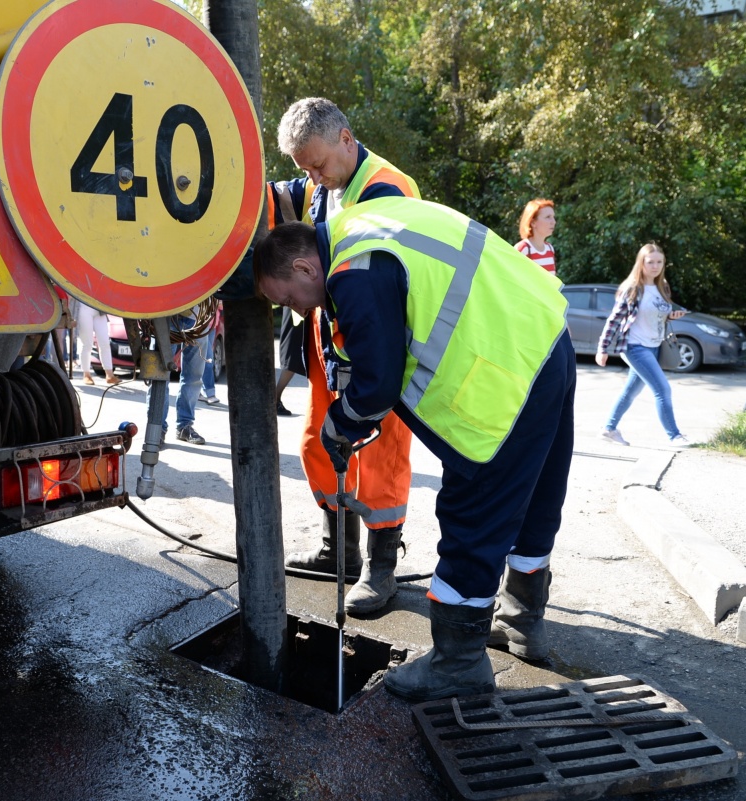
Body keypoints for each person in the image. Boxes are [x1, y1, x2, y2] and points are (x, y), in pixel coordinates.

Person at [254, 196, 575, 702]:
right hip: (544, 339)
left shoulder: (352, 267)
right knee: (535, 499)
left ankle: (458, 660)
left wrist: (338, 425)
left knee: (476, 507)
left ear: (302, 266)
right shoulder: (368, 224)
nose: (300, 310)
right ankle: (521, 621)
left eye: (291, 300)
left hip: (502, 379)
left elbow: (378, 386)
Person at [266, 97, 421, 615]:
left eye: (318, 164)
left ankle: (380, 568)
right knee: (317, 441)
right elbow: (283, 199)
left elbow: (378, 295)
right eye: (304, 168)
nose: (313, 177)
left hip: (376, 345)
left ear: (346, 139)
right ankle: (339, 549)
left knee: (380, 456)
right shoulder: (326, 179)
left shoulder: (386, 188)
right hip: (330, 341)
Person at [595, 244, 691, 447]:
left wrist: (672, 314)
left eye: (659, 262)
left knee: (630, 391)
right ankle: (675, 435)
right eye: (650, 262)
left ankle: (609, 429)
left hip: (655, 345)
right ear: (641, 263)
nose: (655, 266)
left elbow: (660, 315)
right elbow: (614, 319)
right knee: (662, 389)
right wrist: (602, 348)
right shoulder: (632, 288)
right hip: (635, 346)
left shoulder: (662, 286)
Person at [146, 308, 208, 447]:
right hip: (165, 312)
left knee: (194, 376)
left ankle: (184, 427)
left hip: (197, 316)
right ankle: (157, 428)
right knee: (159, 376)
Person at [74, 299, 120, 386]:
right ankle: (86, 374)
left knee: (105, 342)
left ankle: (109, 375)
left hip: (99, 307)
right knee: (87, 344)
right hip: (84, 306)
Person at [273, 307, 304, 416]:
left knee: (291, 361)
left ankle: (275, 399)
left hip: (299, 308)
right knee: (291, 361)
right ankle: (275, 399)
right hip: (298, 310)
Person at [515, 199, 557, 274]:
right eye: (548, 217)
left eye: (553, 217)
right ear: (533, 222)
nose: (553, 222)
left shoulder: (550, 248)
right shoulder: (523, 248)